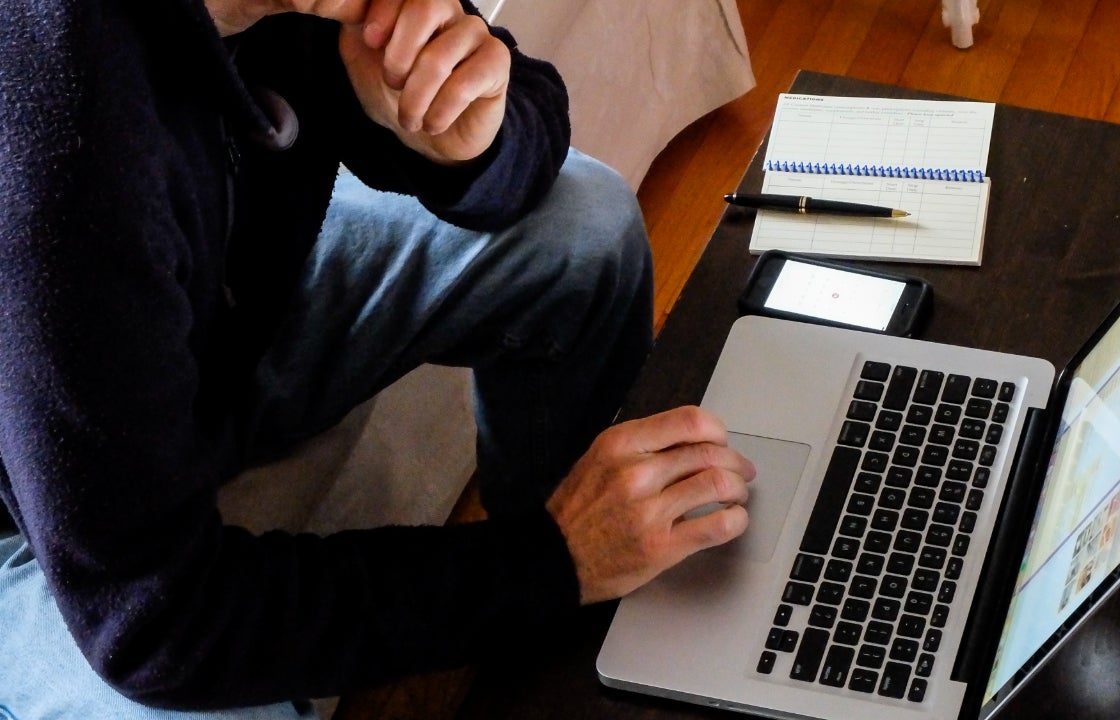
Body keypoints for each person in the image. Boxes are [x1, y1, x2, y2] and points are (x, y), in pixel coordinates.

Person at [0, 0, 756, 717]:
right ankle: (575, 563)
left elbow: (520, 98)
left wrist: (472, 143)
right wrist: (548, 562)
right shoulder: (62, 143)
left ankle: (596, 594)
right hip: (38, 511)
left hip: (208, 338)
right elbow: (152, 621)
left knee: (581, 224)